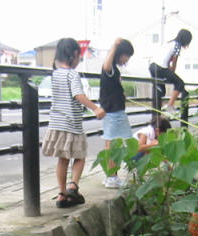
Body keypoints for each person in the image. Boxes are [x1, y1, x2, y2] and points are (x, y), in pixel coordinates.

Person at [42, 37, 105, 208]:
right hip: (71, 124)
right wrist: (96, 108)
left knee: (62, 159)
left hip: (56, 123)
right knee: (80, 156)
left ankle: (62, 194)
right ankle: (73, 186)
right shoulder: (72, 74)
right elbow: (78, 94)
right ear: (75, 54)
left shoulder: (54, 74)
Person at [99, 37, 134, 189]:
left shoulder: (114, 70)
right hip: (114, 112)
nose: (127, 59)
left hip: (112, 111)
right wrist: (114, 45)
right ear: (121, 53)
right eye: (127, 56)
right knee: (115, 144)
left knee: (111, 143)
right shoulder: (110, 67)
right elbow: (106, 65)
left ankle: (110, 176)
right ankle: (112, 177)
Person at [149, 29, 193, 111]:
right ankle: (170, 105)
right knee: (180, 83)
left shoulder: (169, 43)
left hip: (152, 67)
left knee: (161, 91)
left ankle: (158, 112)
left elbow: (166, 60)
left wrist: (170, 73)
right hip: (160, 68)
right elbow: (174, 62)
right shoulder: (177, 45)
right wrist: (172, 73)